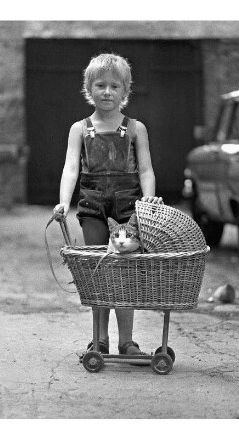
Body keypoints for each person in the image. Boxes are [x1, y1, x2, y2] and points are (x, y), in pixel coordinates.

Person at [53, 53, 163, 356]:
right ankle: (99, 338)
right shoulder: (80, 129)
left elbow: (145, 170)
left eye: (115, 86)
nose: (107, 92)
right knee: (98, 271)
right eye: (100, 85)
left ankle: (126, 341)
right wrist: (64, 202)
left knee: (124, 272)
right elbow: (71, 169)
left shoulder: (136, 129)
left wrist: (148, 202)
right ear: (89, 88)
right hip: (93, 210)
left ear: (125, 91)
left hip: (129, 212)